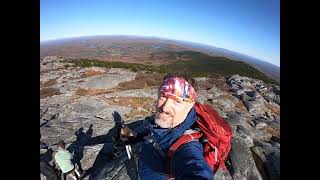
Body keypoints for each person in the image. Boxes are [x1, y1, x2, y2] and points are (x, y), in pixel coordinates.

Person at [120, 74, 215, 180]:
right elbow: (151, 134)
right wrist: (127, 135)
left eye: (177, 101)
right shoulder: (160, 122)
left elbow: (195, 168)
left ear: (190, 106)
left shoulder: (187, 145)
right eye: (163, 96)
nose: (165, 108)